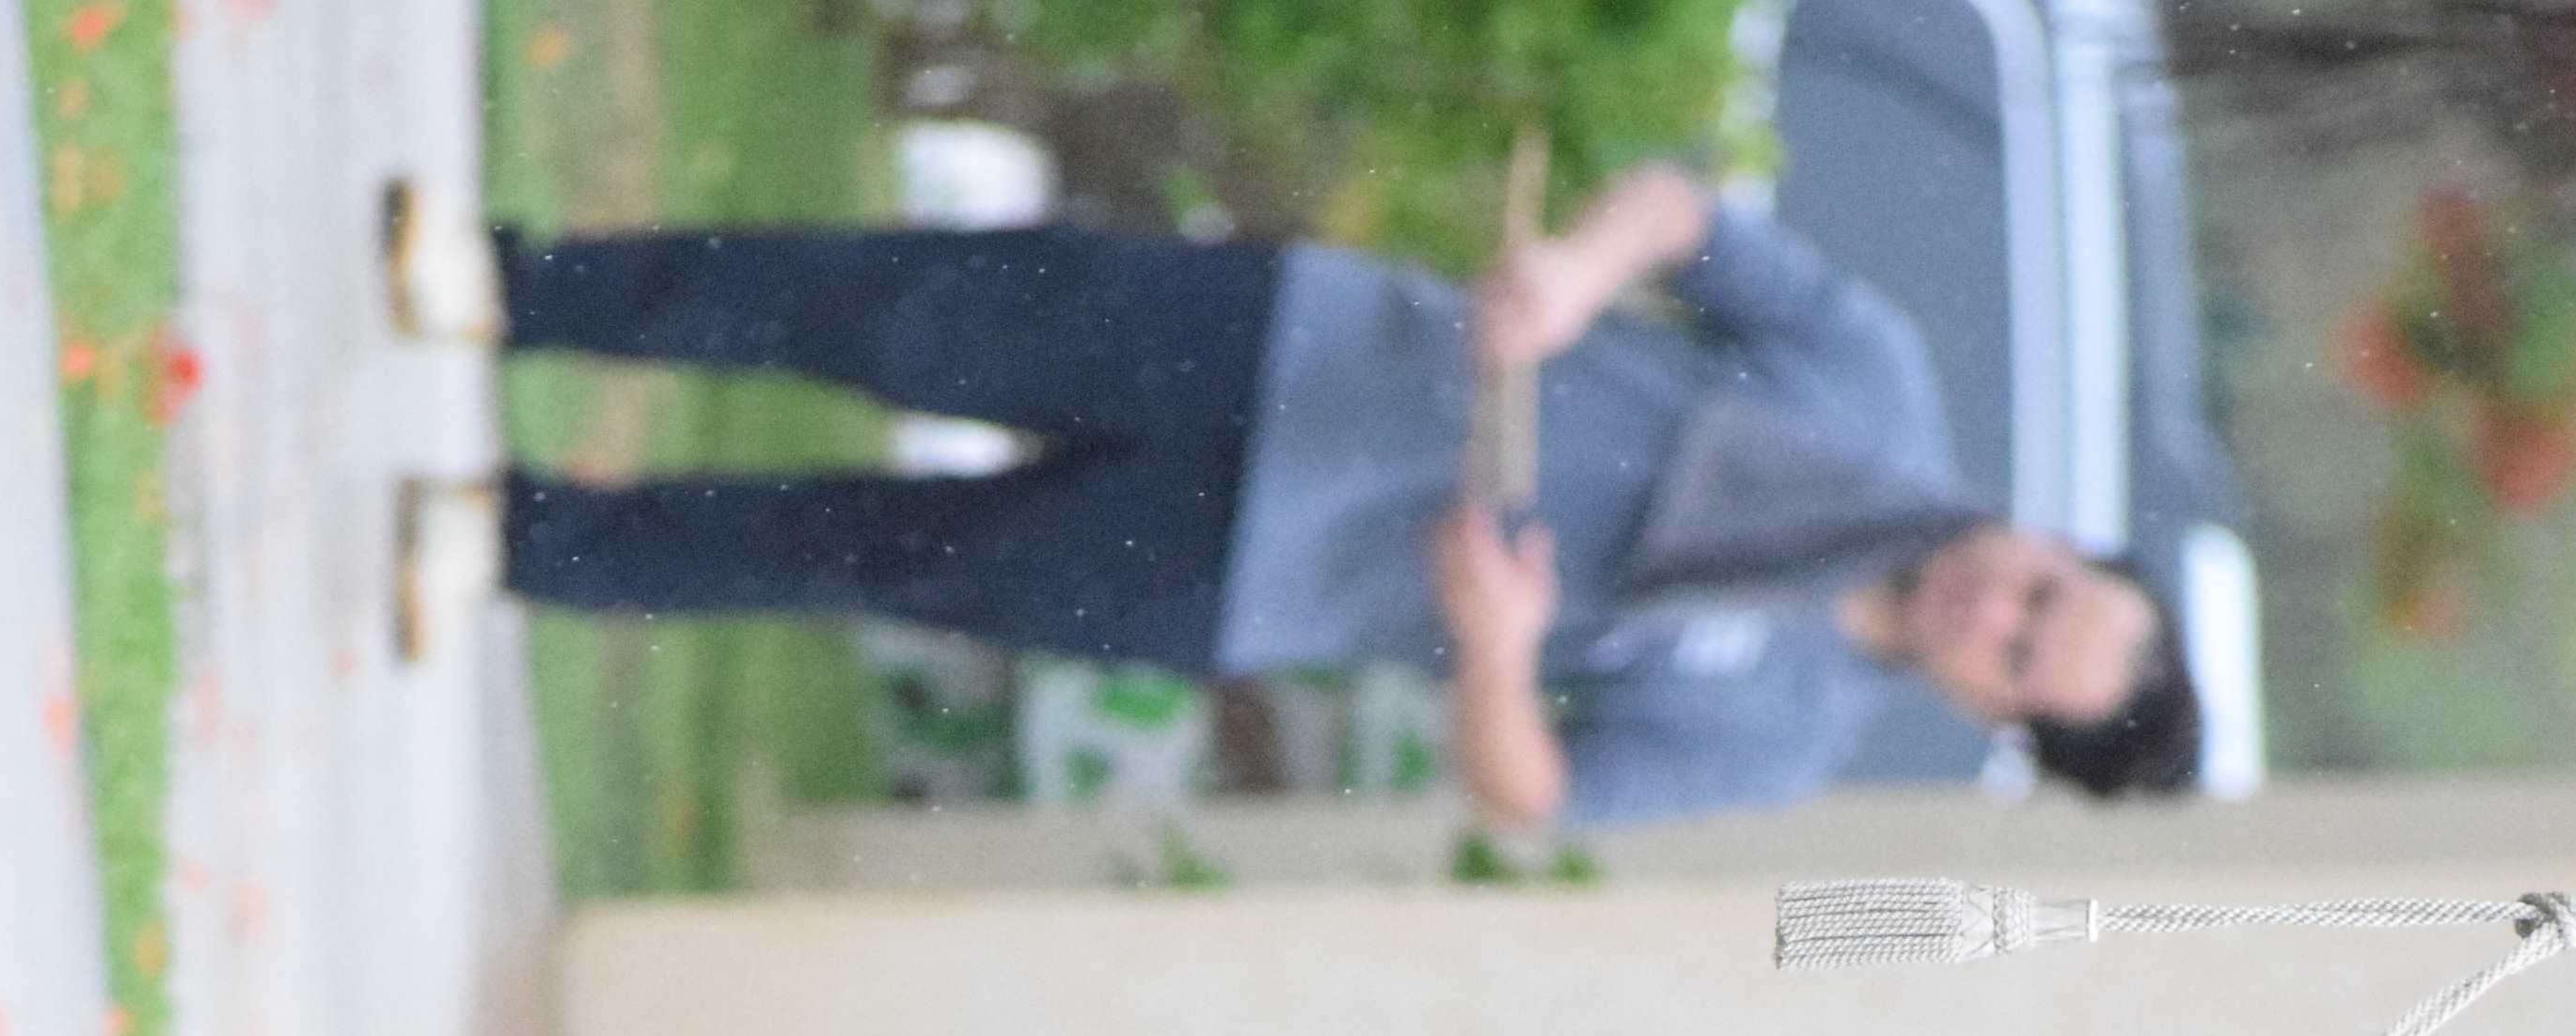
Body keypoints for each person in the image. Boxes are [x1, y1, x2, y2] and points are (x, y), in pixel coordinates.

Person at [388, 166, 2200, 830]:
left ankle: (518, 538)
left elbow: (1538, 797)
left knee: (870, 548)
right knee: (891, 304)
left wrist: (1495, 654)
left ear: (1990, 712)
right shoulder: (1872, 388)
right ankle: (510, 284)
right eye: (2046, 585)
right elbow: (1688, 213)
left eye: (2024, 654)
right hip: (1285, 344)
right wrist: (1570, 276)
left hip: (1259, 585)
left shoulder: (1787, 734)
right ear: (2051, 542)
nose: (2002, 608)